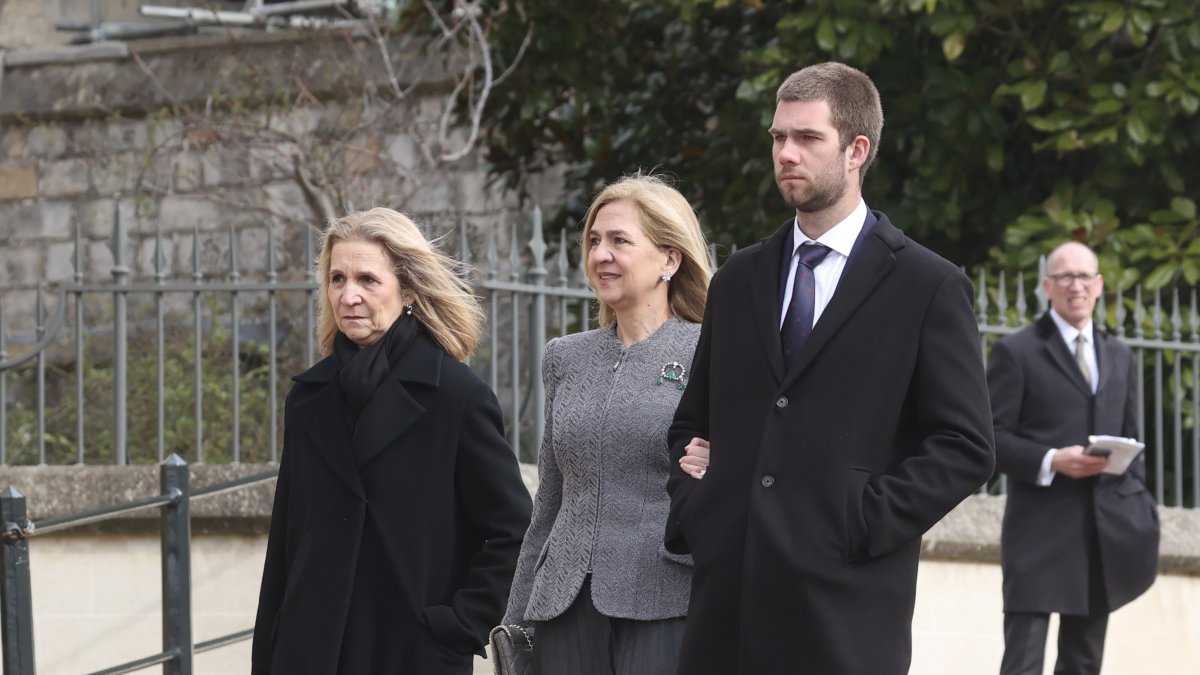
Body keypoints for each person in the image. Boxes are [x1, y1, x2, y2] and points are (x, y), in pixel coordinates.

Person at [664, 62, 996, 674]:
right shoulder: (739, 278)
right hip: (727, 608)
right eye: (777, 138)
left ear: (856, 150)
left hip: (845, 611)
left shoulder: (927, 285)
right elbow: (691, 425)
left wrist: (859, 522)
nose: (786, 153)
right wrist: (700, 508)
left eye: (807, 138)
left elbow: (965, 445)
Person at [251, 207, 533, 674]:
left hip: (410, 654)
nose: (349, 295)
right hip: (309, 653)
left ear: (407, 290)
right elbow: (286, 541)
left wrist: (459, 625)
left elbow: (513, 531)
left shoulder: (456, 396)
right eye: (337, 279)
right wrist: (271, 652)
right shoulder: (308, 399)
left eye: (367, 280)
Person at [502, 174, 713, 674]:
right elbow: (549, 501)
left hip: (667, 601)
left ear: (670, 258)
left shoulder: (711, 351)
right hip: (563, 608)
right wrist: (515, 620)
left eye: (620, 240)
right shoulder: (565, 358)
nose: (601, 254)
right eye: (594, 241)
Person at [988, 241, 1159, 675]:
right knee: (1023, 663)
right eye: (1065, 276)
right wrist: (1050, 459)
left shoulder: (1120, 355)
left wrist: (1139, 507)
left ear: (1099, 285)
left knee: (1084, 664)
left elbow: (1133, 438)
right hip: (1037, 532)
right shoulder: (1017, 352)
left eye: (1085, 276)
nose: (1075, 285)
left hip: (1101, 535)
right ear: (1048, 286)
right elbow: (989, 436)